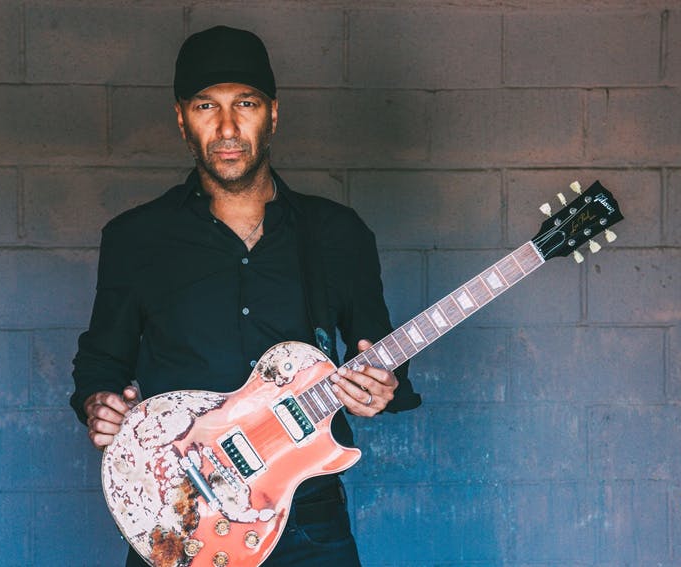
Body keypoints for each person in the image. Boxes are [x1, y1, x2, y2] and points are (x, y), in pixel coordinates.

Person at [70, 25, 421, 567]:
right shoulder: (136, 238)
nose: (228, 127)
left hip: (308, 516)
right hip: (184, 516)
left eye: (246, 104)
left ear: (273, 115)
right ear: (182, 120)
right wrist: (100, 404)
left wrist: (381, 391)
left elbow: (380, 362)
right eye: (207, 106)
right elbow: (100, 365)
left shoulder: (337, 234)